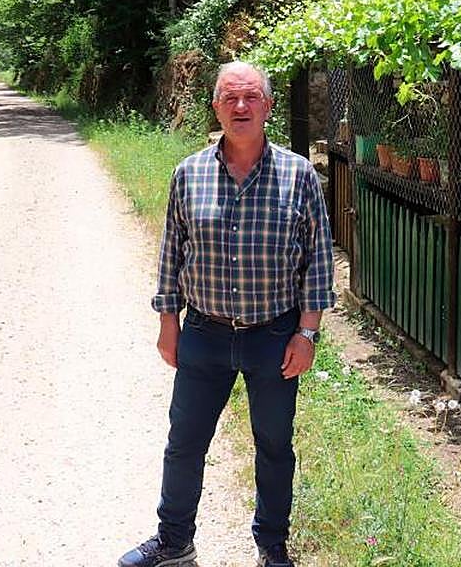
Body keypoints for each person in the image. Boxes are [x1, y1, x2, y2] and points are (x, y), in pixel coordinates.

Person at [119, 61, 335, 567]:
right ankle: (174, 543)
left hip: (274, 336)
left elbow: (319, 262)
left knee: (275, 446)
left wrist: (307, 333)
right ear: (215, 106)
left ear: (267, 106)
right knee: (185, 444)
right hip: (204, 334)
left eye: (251, 97)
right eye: (230, 98)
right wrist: (167, 323)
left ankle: (272, 544)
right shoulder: (189, 173)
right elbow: (172, 252)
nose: (241, 107)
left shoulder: (299, 174)